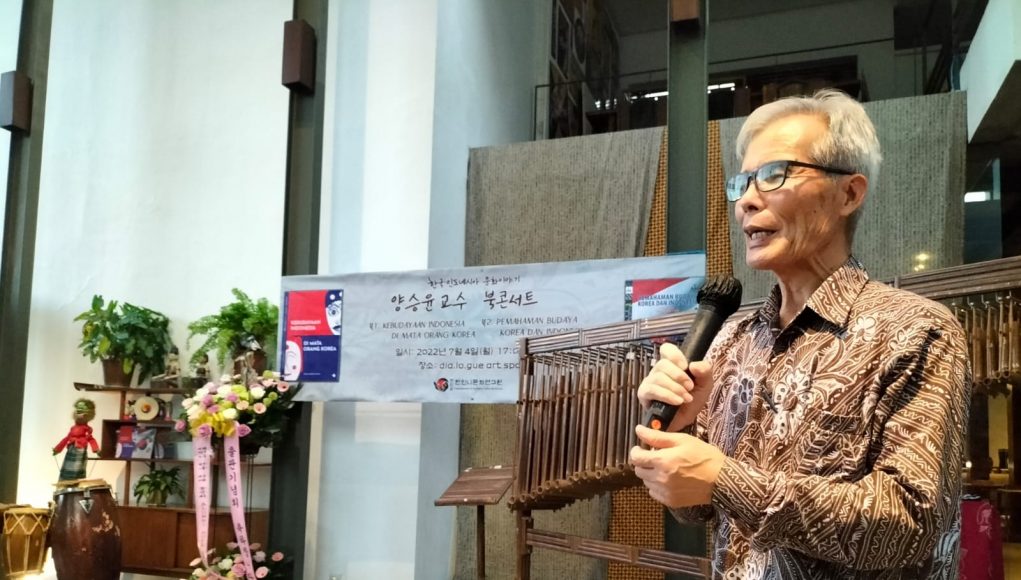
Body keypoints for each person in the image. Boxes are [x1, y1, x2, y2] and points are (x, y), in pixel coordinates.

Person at [629, 89, 971, 578]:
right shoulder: (731, 341)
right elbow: (697, 509)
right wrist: (678, 433)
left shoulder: (917, 331)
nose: (747, 201)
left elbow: (911, 523)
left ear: (849, 193)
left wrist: (725, 479)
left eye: (775, 174)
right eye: (743, 182)